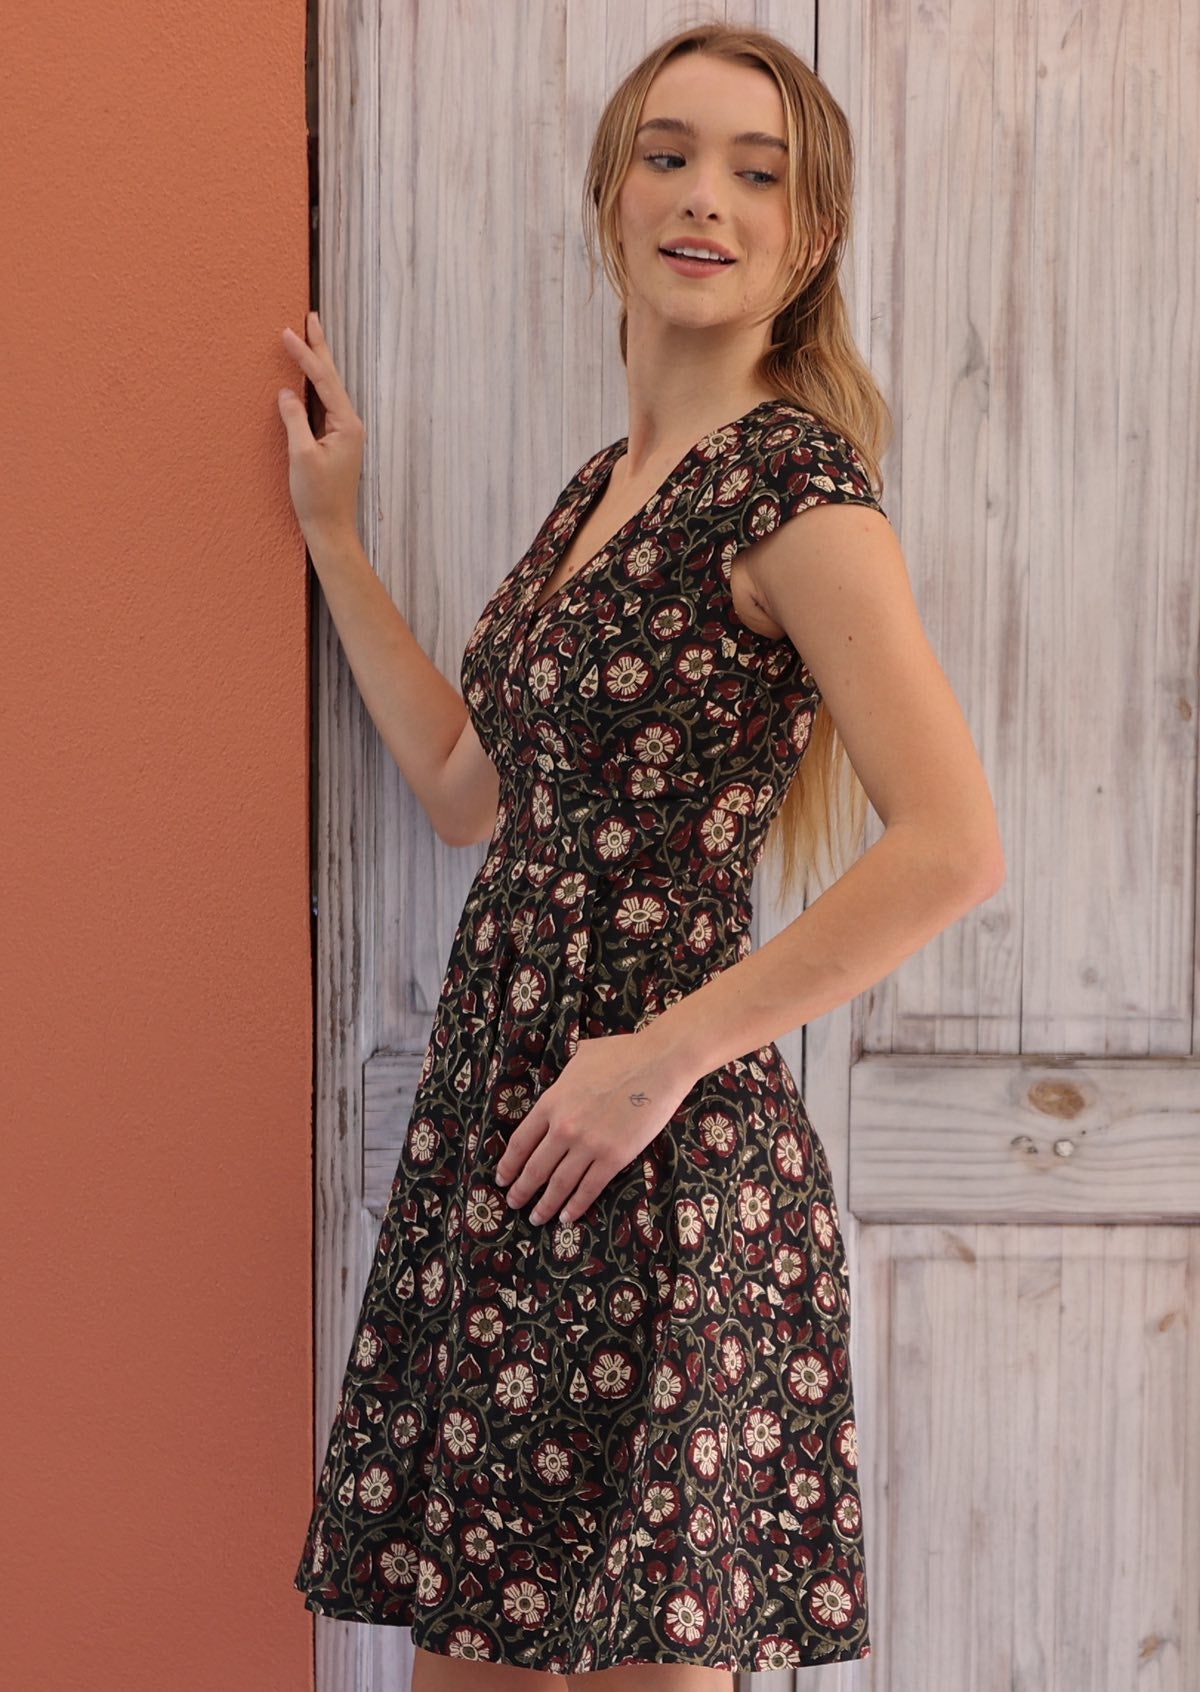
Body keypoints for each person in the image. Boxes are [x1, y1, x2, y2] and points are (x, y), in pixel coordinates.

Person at [277, 21, 1003, 1691]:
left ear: (810, 238)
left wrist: (656, 1062)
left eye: (760, 173)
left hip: (655, 1147)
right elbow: (470, 790)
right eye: (670, 156)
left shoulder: (793, 490)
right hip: (512, 1129)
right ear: (611, 198)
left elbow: (956, 845)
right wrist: (334, 531)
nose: (706, 198)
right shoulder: (602, 488)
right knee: (470, 1660)